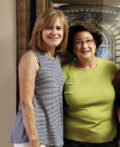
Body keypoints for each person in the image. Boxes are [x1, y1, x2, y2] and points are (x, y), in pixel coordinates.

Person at [8, 9, 69, 147]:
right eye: (49, 28)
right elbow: (25, 102)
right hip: (31, 138)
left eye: (58, 28)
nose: (54, 32)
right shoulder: (31, 58)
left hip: (51, 136)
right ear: (39, 31)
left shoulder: (56, 60)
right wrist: (34, 139)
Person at [62, 22, 118, 147]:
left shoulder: (111, 68)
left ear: (95, 44)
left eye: (88, 40)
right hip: (73, 141)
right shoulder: (65, 71)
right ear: (73, 48)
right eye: (78, 42)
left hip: (108, 140)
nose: (85, 46)